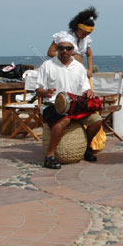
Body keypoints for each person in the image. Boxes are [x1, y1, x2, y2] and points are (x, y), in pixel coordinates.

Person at [37, 31, 102, 170]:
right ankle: (50, 155)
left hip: (75, 106)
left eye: (68, 48)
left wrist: (88, 92)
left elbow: (85, 87)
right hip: (53, 105)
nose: (65, 51)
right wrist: (45, 92)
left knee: (97, 120)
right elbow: (38, 89)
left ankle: (86, 147)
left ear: (73, 50)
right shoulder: (47, 65)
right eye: (61, 48)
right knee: (64, 119)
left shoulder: (79, 67)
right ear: (57, 49)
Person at [47, 6, 97, 78]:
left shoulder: (87, 39)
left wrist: (90, 70)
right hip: (64, 70)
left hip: (80, 71)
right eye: (84, 33)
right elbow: (50, 52)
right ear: (78, 28)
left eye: (88, 34)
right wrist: (70, 60)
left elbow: (89, 55)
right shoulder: (64, 36)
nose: (85, 36)